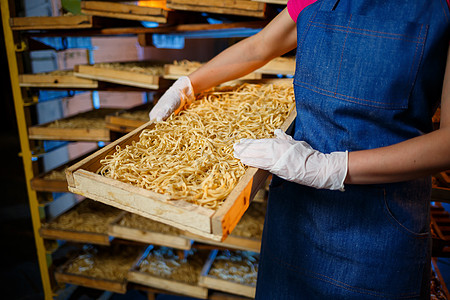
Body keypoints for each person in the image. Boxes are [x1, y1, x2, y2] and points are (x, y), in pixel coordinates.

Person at [149, 0, 450, 298]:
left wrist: (328, 168)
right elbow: (261, 45)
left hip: (382, 229)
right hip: (296, 215)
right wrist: (188, 85)